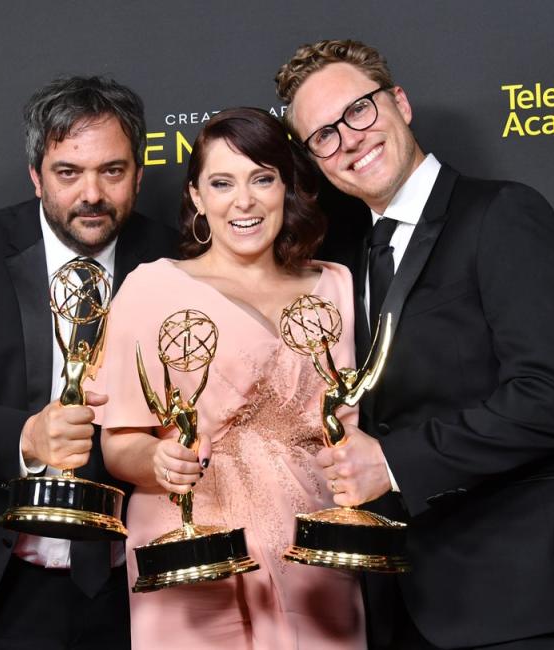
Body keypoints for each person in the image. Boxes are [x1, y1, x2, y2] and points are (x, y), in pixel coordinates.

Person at [275, 40, 554, 650]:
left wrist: (392, 462)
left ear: (399, 103)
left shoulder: (502, 214)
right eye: (323, 135)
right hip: (399, 604)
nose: (349, 139)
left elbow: (550, 397)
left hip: (516, 602)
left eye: (359, 110)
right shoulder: (348, 258)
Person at [0, 76, 178, 649]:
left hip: (136, 583)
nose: (91, 194)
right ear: (36, 175)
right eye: (68, 172)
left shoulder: (177, 260)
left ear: (139, 175)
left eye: (112, 171)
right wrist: (29, 435)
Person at [96, 108, 366, 649]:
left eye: (261, 179)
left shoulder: (334, 285)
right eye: (222, 183)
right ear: (197, 196)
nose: (243, 201)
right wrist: (156, 462)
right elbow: (117, 442)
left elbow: (347, 431)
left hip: (310, 541)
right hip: (194, 551)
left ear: (285, 186)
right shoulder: (150, 288)